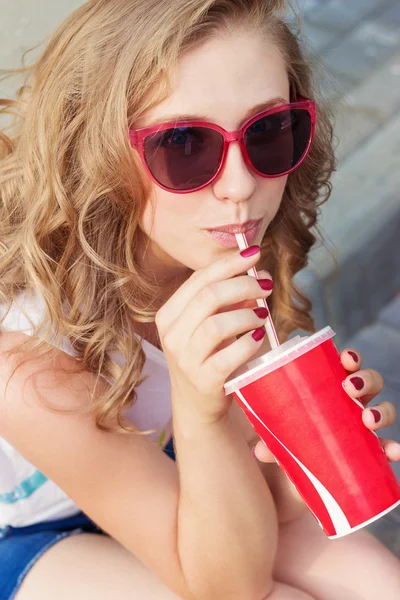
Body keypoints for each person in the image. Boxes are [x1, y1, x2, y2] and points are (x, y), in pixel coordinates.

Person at [0, 0, 399, 598]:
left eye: (268, 131)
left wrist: (305, 460)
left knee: (378, 581)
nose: (240, 187)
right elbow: (229, 587)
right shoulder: (28, 366)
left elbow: (269, 511)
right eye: (183, 143)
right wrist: (198, 402)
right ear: (98, 151)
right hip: (41, 531)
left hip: (192, 482)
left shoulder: (208, 255)